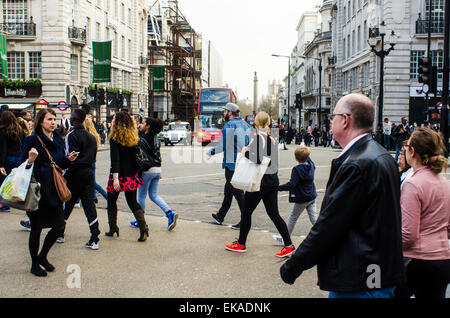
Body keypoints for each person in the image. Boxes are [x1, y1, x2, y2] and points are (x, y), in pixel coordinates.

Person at [280, 93, 404, 298]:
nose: (330, 121)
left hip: (359, 279)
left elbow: (330, 225)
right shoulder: (382, 155)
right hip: (379, 273)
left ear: (345, 120)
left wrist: (293, 266)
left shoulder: (356, 164)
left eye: (333, 116)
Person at [225, 112, 295, 258]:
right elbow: (271, 161)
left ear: (255, 124)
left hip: (260, 181)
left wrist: (245, 152)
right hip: (272, 180)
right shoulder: (273, 138)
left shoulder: (258, 138)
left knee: (246, 212)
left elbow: (257, 159)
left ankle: (241, 244)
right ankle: (288, 245)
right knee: (274, 214)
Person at [21, 108, 78, 276]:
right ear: (40, 122)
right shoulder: (32, 140)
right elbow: (21, 164)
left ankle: (42, 257)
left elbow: (60, 164)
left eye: (54, 119)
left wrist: (69, 160)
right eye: (49, 119)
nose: (53, 122)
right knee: (36, 228)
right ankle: (34, 264)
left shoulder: (59, 140)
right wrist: (30, 160)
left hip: (54, 189)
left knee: (59, 225)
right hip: (37, 190)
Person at [395, 128, 450, 298]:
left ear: (412, 151)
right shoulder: (444, 182)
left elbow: (408, 235)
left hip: (417, 260)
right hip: (442, 258)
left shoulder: (413, 184)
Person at [57, 109, 101, 249]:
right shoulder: (91, 137)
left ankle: (60, 232)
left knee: (67, 203)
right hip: (88, 172)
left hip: (75, 172)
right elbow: (93, 157)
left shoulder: (71, 136)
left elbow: (70, 156)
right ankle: (95, 237)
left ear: (73, 119)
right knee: (89, 205)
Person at [106, 111, 148, 242]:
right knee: (132, 202)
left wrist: (115, 179)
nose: (112, 121)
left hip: (119, 175)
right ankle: (143, 227)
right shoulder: (133, 137)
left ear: (117, 123)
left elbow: (115, 160)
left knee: (111, 201)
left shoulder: (114, 138)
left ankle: (113, 227)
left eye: (114, 119)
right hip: (131, 175)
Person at [208, 103, 250, 230]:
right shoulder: (246, 125)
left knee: (237, 192)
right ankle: (220, 216)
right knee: (229, 190)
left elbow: (222, 146)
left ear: (230, 113)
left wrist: (210, 152)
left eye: (225, 111)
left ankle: (245, 220)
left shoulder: (230, 125)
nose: (224, 113)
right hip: (242, 161)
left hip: (232, 163)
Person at [130, 117, 178, 231]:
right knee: (154, 195)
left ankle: (139, 220)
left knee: (141, 195)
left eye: (142, 123)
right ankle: (169, 213)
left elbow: (140, 157)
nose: (140, 125)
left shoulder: (142, 139)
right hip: (157, 169)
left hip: (147, 170)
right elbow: (157, 155)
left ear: (148, 126)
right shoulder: (156, 138)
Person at [273, 145, 317, 245]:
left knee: (293, 217)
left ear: (296, 157)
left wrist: (278, 188)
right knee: (314, 218)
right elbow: (307, 157)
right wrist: (305, 151)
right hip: (312, 196)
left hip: (302, 198)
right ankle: (326, 233)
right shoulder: (311, 165)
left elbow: (292, 184)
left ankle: (285, 238)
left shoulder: (297, 169)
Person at [0, 111, 26, 213]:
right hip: (19, 158)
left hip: (8, 158)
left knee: (4, 182)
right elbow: (24, 145)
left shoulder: (2, 131)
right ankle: (15, 201)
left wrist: (0, 164)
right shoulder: (20, 130)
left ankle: (5, 205)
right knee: (15, 181)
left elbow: (3, 149)